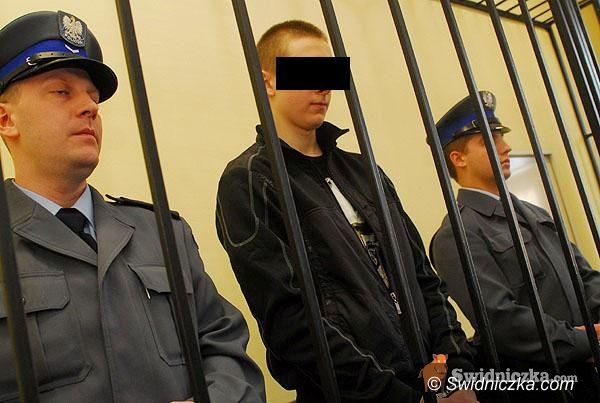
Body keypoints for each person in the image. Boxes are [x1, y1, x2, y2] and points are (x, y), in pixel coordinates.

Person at [0, 10, 265, 402]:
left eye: (93, 97)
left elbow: (225, 348)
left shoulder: (163, 234)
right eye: (61, 92)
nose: (90, 107)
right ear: (6, 119)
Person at [216, 20, 477, 403]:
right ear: (267, 81)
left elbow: (424, 279)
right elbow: (291, 325)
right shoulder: (250, 180)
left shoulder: (365, 171)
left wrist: (455, 373)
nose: (324, 86)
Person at [430, 91, 600, 401]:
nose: (505, 147)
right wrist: (585, 343)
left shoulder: (534, 213)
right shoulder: (458, 235)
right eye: (489, 140)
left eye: (502, 137)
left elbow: (584, 276)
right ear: (458, 159)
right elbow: (502, 322)